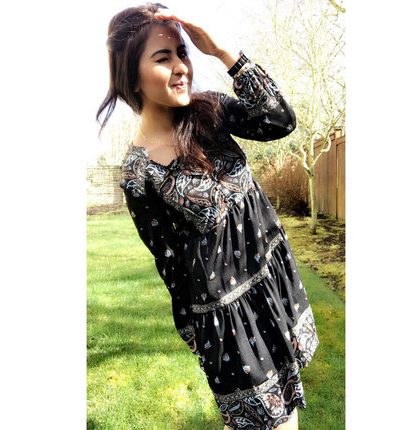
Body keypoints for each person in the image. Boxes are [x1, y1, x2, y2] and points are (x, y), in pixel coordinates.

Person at [96, 3, 319, 430]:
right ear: (131, 75)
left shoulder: (210, 112)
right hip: (230, 323)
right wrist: (203, 342)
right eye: (163, 58)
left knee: (288, 415)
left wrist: (223, 52)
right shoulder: (139, 174)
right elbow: (171, 266)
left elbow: (280, 121)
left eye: (182, 53)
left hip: (273, 285)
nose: (181, 66)